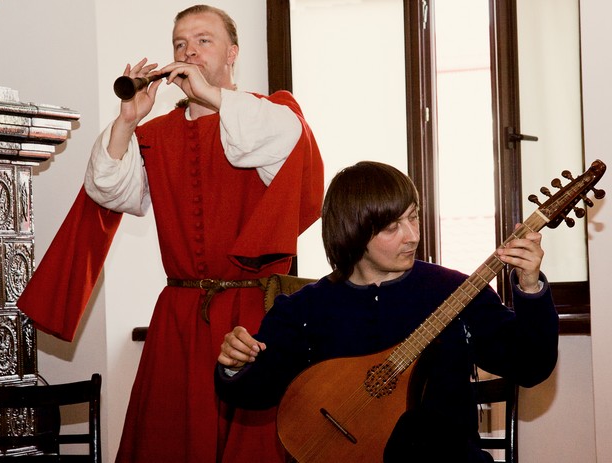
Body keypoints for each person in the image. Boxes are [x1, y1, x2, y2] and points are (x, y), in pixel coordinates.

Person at [17, 4, 323, 463]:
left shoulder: (268, 116)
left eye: (203, 40)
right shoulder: (155, 133)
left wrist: (212, 96)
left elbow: (288, 144)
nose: (189, 51)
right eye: (180, 43)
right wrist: (128, 120)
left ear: (233, 53)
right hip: (179, 319)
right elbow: (108, 190)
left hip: (251, 315)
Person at [215, 161, 558, 462]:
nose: (412, 236)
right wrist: (235, 366)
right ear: (353, 232)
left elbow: (531, 365)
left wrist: (530, 287)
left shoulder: (455, 290)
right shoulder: (306, 308)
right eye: (392, 227)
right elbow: (256, 391)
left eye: (413, 217)